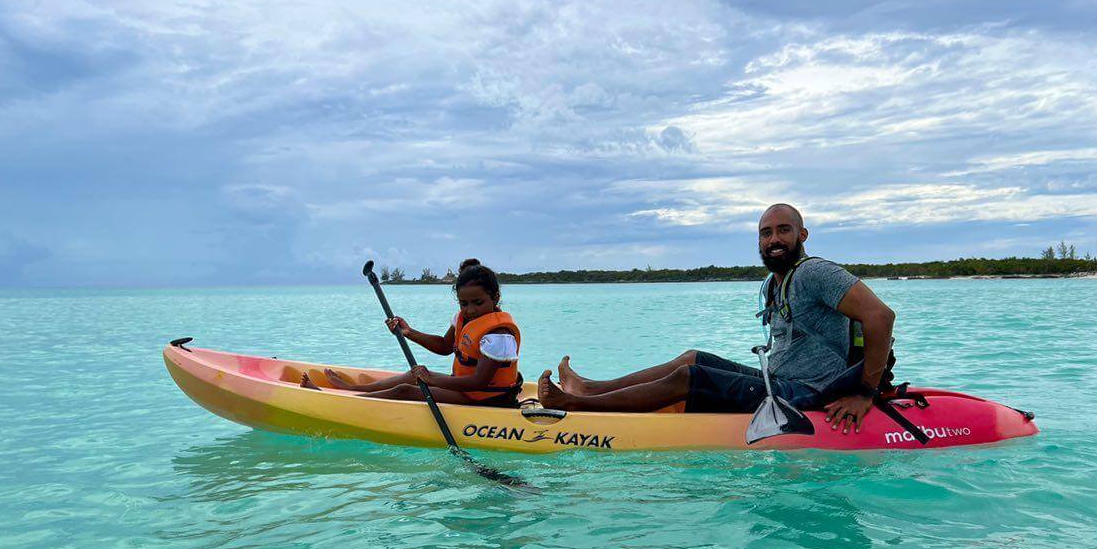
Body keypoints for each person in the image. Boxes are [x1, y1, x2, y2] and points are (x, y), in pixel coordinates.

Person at [538, 203, 896, 434]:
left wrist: (865, 393)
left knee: (689, 377)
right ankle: (592, 388)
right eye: (766, 232)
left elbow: (880, 316)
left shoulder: (815, 272)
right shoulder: (777, 282)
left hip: (806, 392)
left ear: (801, 235)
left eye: (784, 230)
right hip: (779, 379)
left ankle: (574, 404)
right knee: (693, 357)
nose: (774, 239)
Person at [302, 259, 523, 406]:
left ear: (495, 298)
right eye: (463, 303)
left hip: (488, 399)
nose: (470, 310)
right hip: (467, 390)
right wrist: (409, 332)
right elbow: (445, 347)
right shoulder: (463, 318)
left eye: (478, 302)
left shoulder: (499, 335)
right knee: (412, 375)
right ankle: (353, 389)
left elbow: (479, 383)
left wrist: (431, 378)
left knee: (404, 390)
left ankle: (338, 403)